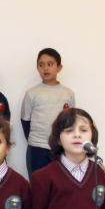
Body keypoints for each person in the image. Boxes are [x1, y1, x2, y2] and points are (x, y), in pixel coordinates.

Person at [21, 48, 75, 178]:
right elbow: (25, 120)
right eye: (41, 65)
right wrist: (35, 141)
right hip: (37, 149)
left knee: (60, 185)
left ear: (59, 67)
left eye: (50, 64)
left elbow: (71, 121)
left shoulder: (68, 93)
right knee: (38, 185)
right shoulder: (31, 93)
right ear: (37, 68)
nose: (45, 68)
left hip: (60, 148)